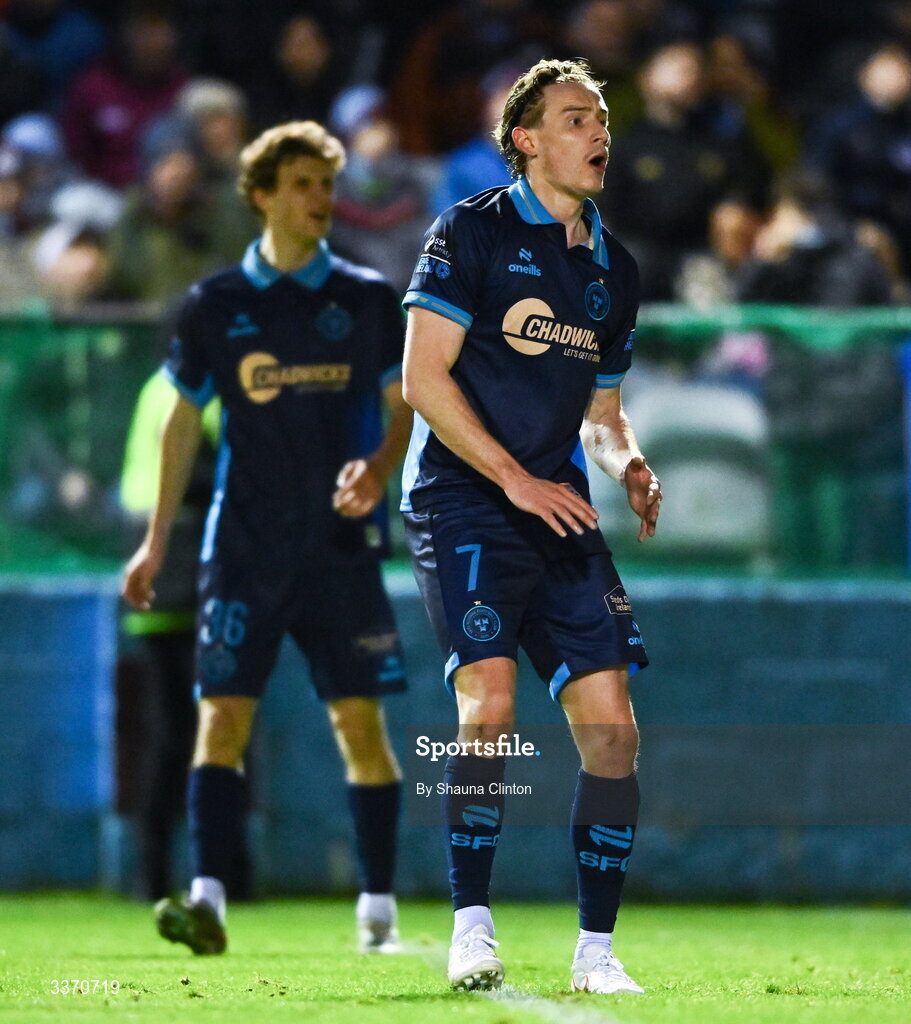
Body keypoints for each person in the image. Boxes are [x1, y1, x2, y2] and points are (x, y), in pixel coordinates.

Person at [400, 58, 661, 995]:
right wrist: (509, 475)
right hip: (465, 496)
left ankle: (595, 952)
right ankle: (472, 925)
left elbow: (600, 412)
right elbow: (422, 378)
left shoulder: (610, 269)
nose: (599, 135)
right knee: (491, 708)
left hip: (555, 502)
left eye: (602, 120)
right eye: (575, 118)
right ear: (525, 139)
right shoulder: (468, 232)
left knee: (613, 732)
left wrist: (625, 459)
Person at [121, 119, 412, 955]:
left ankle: (378, 913)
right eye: (303, 185)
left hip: (340, 550)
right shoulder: (216, 305)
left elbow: (405, 404)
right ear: (260, 196)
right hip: (241, 550)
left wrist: (379, 470)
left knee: (359, 726)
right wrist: (152, 544)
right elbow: (180, 422)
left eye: (327, 184)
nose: (321, 199)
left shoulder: (361, 299)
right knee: (220, 719)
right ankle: (207, 897)